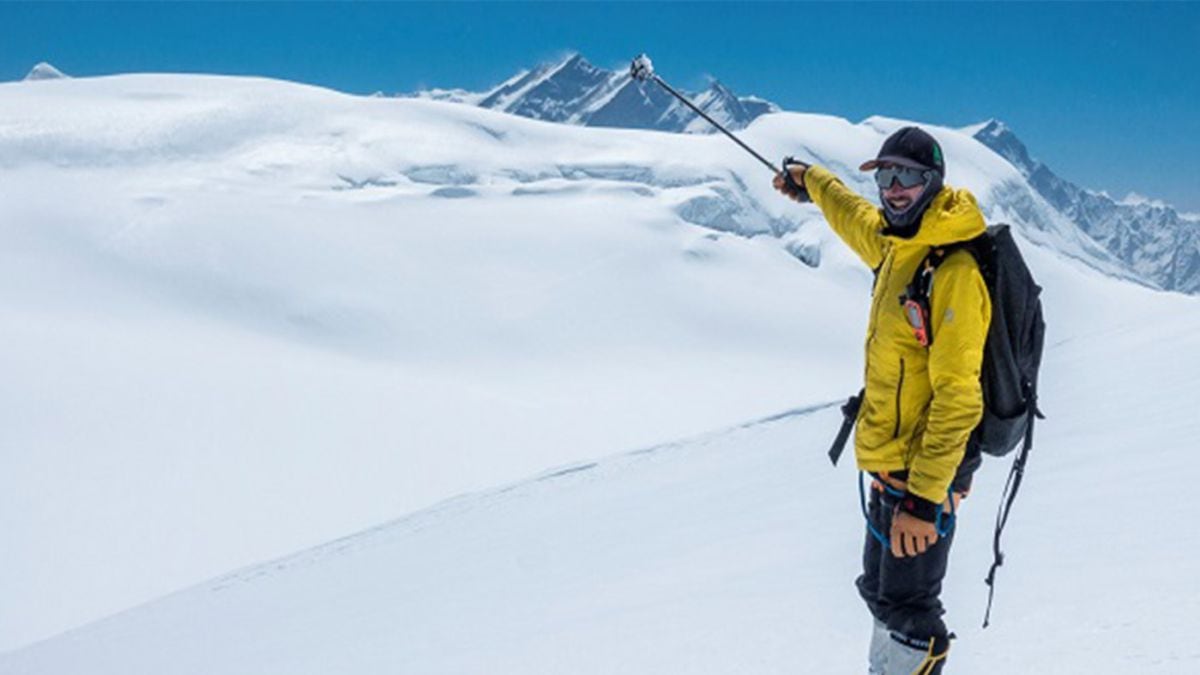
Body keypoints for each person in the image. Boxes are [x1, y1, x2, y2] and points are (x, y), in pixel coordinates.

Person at [774, 127, 990, 674]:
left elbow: (960, 398)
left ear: (933, 183)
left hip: (923, 479)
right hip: (892, 472)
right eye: (887, 176)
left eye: (908, 177)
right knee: (881, 593)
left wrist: (923, 498)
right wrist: (810, 181)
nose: (893, 189)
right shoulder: (897, 245)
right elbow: (852, 213)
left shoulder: (952, 270)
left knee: (910, 613)